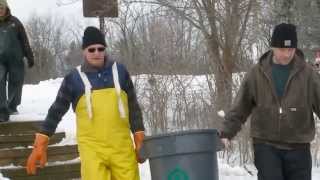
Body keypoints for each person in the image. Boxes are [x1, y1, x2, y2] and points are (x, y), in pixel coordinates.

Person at [26, 26, 145, 180]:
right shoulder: (73, 79)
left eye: (100, 48)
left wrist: (140, 138)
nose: (96, 53)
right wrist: (41, 143)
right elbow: (56, 111)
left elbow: (133, 107)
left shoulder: (120, 72)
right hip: (92, 150)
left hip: (122, 149)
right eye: (91, 49)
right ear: (84, 51)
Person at [219, 23, 319, 180]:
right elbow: (240, 107)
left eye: (290, 50)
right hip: (266, 145)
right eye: (282, 50)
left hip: (299, 146)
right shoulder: (257, 73)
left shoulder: (308, 74)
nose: (287, 54)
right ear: (273, 47)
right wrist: (226, 133)